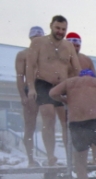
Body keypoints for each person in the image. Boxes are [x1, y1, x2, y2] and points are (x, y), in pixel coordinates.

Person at [26, 15, 80, 166]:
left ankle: (70, 156)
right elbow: (29, 66)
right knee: (48, 117)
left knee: (66, 122)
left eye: (63, 29)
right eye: (57, 28)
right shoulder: (38, 43)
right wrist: (31, 87)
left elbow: (77, 68)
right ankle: (51, 155)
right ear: (51, 26)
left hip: (62, 86)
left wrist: (81, 85)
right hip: (43, 83)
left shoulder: (68, 46)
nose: (60, 32)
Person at [66, 32, 96, 164]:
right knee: (74, 129)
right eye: (72, 44)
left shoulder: (87, 60)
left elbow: (95, 79)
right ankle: (74, 159)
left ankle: (95, 158)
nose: (75, 47)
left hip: (87, 98)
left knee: (92, 127)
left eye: (77, 44)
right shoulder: (63, 60)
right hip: (71, 98)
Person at [15, 26, 45, 167]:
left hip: (45, 89)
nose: (37, 41)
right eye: (35, 38)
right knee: (30, 126)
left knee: (48, 124)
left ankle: (51, 156)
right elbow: (20, 77)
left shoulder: (48, 55)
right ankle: (31, 159)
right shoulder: (23, 54)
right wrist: (23, 96)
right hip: (30, 90)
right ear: (30, 38)